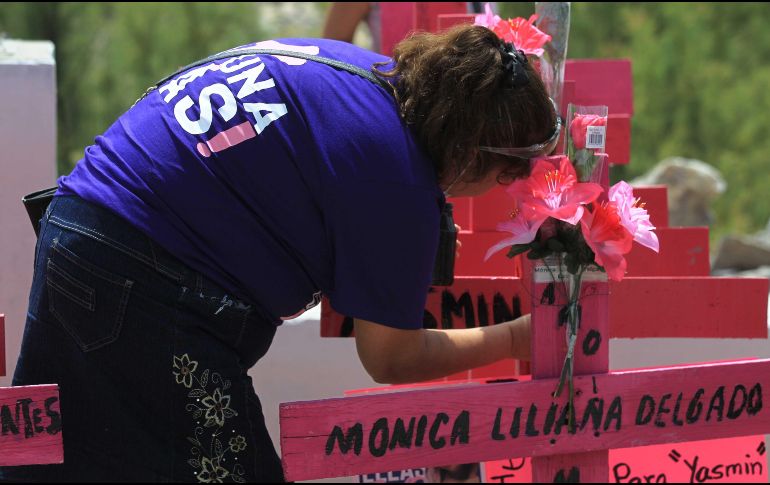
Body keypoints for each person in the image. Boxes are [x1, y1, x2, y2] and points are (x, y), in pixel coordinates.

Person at [0, 23, 557, 482]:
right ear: (469, 151)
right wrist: (513, 336)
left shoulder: (356, 72)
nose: (511, 183)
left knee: (51, 462)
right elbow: (391, 357)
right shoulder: (396, 174)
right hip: (141, 276)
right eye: (509, 172)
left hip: (77, 227)